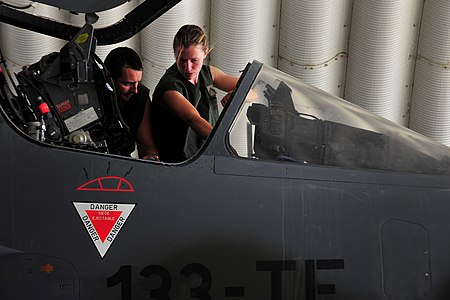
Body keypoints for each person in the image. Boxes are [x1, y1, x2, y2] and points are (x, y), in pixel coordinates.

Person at [151, 24, 239, 163]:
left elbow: (252, 90)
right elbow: (192, 118)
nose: (188, 67)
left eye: (194, 60)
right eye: (182, 61)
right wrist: (226, 149)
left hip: (208, 157)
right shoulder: (170, 87)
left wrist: (236, 94)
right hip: (181, 163)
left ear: (205, 52)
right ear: (175, 54)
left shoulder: (209, 73)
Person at [104, 47, 159, 161]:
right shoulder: (93, 96)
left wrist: (151, 158)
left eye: (137, 82)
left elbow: (146, 144)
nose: (135, 90)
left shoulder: (140, 97)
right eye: (127, 83)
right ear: (109, 77)